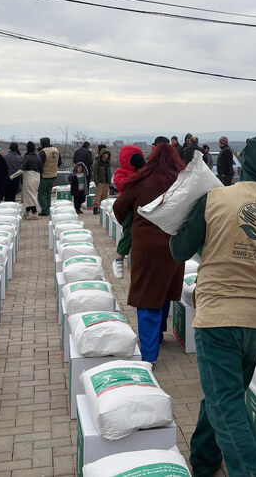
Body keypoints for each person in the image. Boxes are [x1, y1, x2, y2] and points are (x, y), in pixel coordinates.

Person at [169, 136, 256, 476]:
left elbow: (179, 250)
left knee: (225, 405)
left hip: (217, 318)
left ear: (245, 164)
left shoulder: (216, 198)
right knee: (223, 393)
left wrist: (175, 230)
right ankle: (204, 460)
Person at [112, 144, 185, 363]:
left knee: (147, 297)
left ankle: (149, 354)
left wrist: (133, 221)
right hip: (174, 245)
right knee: (163, 291)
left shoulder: (140, 181)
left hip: (146, 247)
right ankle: (159, 336)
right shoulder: (181, 183)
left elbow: (119, 207)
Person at [110, 145, 145, 278]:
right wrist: (136, 178)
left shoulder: (143, 172)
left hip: (141, 205)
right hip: (128, 206)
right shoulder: (121, 172)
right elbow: (120, 184)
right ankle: (119, 258)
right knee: (129, 232)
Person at [11, 141, 42, 219]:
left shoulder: (27, 157)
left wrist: (11, 177)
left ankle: (34, 213)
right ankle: (27, 212)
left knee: (30, 195)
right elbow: (42, 169)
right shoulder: (38, 157)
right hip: (37, 177)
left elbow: (22, 169)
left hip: (29, 177)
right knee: (31, 194)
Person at [37, 137, 61, 216]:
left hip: (44, 175)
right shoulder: (56, 150)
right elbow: (59, 163)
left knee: (41, 193)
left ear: (43, 143)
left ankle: (45, 210)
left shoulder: (43, 152)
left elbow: (40, 164)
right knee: (48, 193)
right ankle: (48, 207)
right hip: (53, 175)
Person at [92, 148, 111, 215]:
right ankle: (95, 208)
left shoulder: (108, 162)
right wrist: (97, 181)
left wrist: (109, 181)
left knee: (104, 197)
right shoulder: (98, 162)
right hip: (100, 182)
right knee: (98, 196)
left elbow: (109, 172)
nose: (107, 155)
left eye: (108, 154)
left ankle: (102, 209)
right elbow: (95, 173)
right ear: (102, 154)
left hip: (106, 182)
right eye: (105, 154)